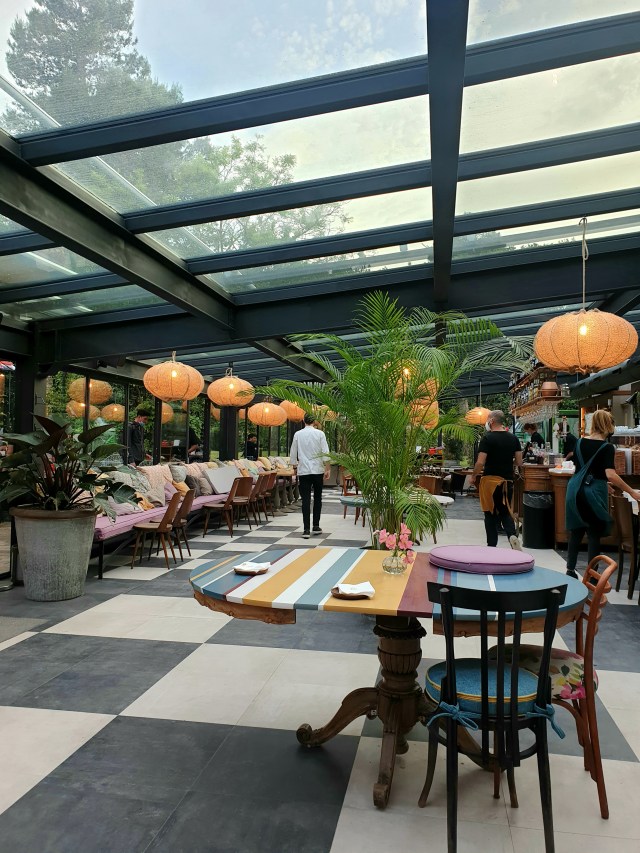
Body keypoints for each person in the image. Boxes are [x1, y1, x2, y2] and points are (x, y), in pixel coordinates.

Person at [565, 410, 640, 578]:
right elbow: (610, 474)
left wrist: (603, 483)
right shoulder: (606, 447)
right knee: (594, 534)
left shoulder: (579, 442)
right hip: (592, 494)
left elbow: (582, 470)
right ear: (608, 425)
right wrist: (632, 492)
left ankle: (570, 570)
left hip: (574, 491)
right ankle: (592, 576)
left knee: (576, 530)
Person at [470, 410, 523, 550]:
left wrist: (474, 476)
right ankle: (512, 536)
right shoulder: (513, 438)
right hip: (507, 482)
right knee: (505, 511)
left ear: (492, 421)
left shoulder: (487, 438)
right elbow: (519, 462)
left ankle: (491, 546)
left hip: (490, 482)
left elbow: (480, 462)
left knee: (489, 513)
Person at [290, 413, 331, 539]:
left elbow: (293, 452)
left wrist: (295, 467)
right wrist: (327, 468)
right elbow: (325, 451)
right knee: (318, 498)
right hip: (317, 470)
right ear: (314, 421)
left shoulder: (298, 434)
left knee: (305, 500)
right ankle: (316, 526)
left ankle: (306, 530)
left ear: (303, 421)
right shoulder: (320, 434)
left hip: (304, 471)